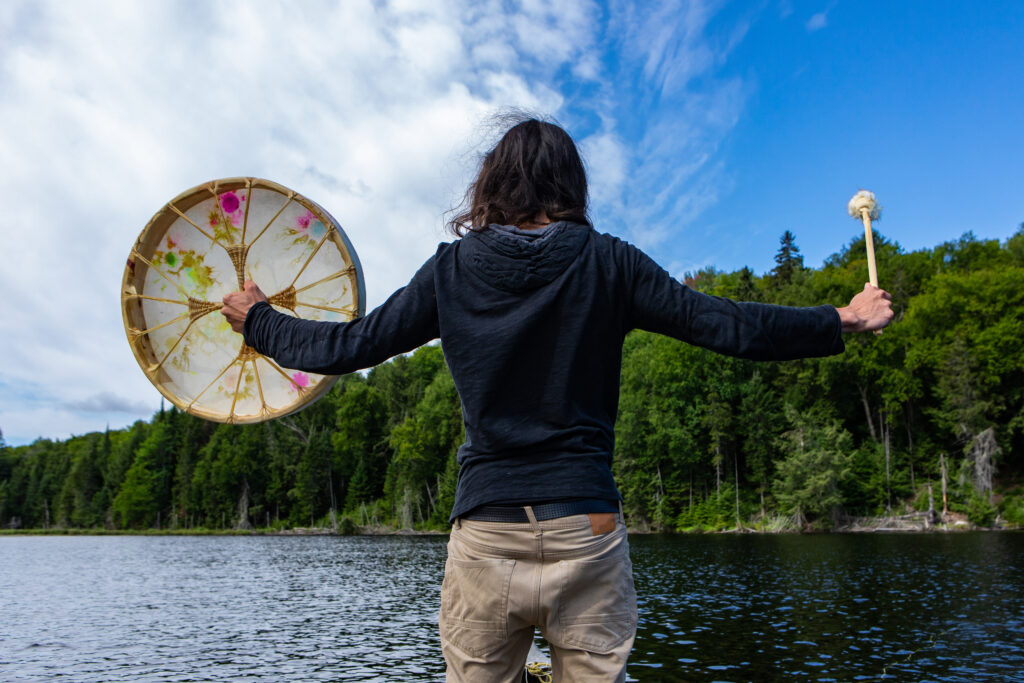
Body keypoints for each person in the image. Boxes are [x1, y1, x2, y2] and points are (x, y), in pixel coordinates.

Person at [221, 117, 893, 682]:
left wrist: (259, 320)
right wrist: (843, 317)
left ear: (492, 186)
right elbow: (727, 324)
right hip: (587, 528)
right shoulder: (610, 262)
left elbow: (350, 347)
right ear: (571, 187)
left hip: (486, 532)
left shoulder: (450, 271)